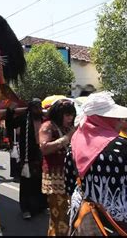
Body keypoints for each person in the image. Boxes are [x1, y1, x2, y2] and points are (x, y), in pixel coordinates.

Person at [65, 91, 127, 235]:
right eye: (113, 117)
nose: (118, 121)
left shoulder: (74, 144)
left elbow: (70, 184)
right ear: (101, 119)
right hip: (121, 221)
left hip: (85, 218)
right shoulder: (126, 146)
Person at [39, 99, 76, 236]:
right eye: (67, 115)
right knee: (59, 215)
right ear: (58, 114)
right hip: (55, 177)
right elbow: (44, 148)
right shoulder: (47, 126)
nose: (70, 118)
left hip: (71, 174)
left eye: (71, 115)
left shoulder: (68, 127)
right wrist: (67, 137)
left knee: (71, 213)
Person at [6, 98, 47, 220]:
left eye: (39, 107)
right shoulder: (24, 118)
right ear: (30, 108)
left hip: (41, 155)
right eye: (35, 107)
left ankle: (41, 206)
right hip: (27, 157)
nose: (38, 109)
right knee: (26, 183)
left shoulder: (44, 119)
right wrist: (10, 111)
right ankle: (26, 209)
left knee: (40, 181)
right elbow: (11, 124)